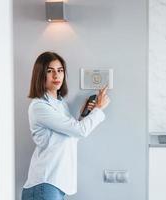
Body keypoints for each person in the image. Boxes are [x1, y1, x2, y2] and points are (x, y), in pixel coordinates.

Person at [21, 51, 110, 200]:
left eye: (60, 70)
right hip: (45, 184)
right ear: (40, 75)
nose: (56, 76)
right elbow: (80, 131)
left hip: (55, 185)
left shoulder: (60, 103)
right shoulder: (39, 106)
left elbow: (71, 137)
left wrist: (82, 116)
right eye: (50, 71)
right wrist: (99, 109)